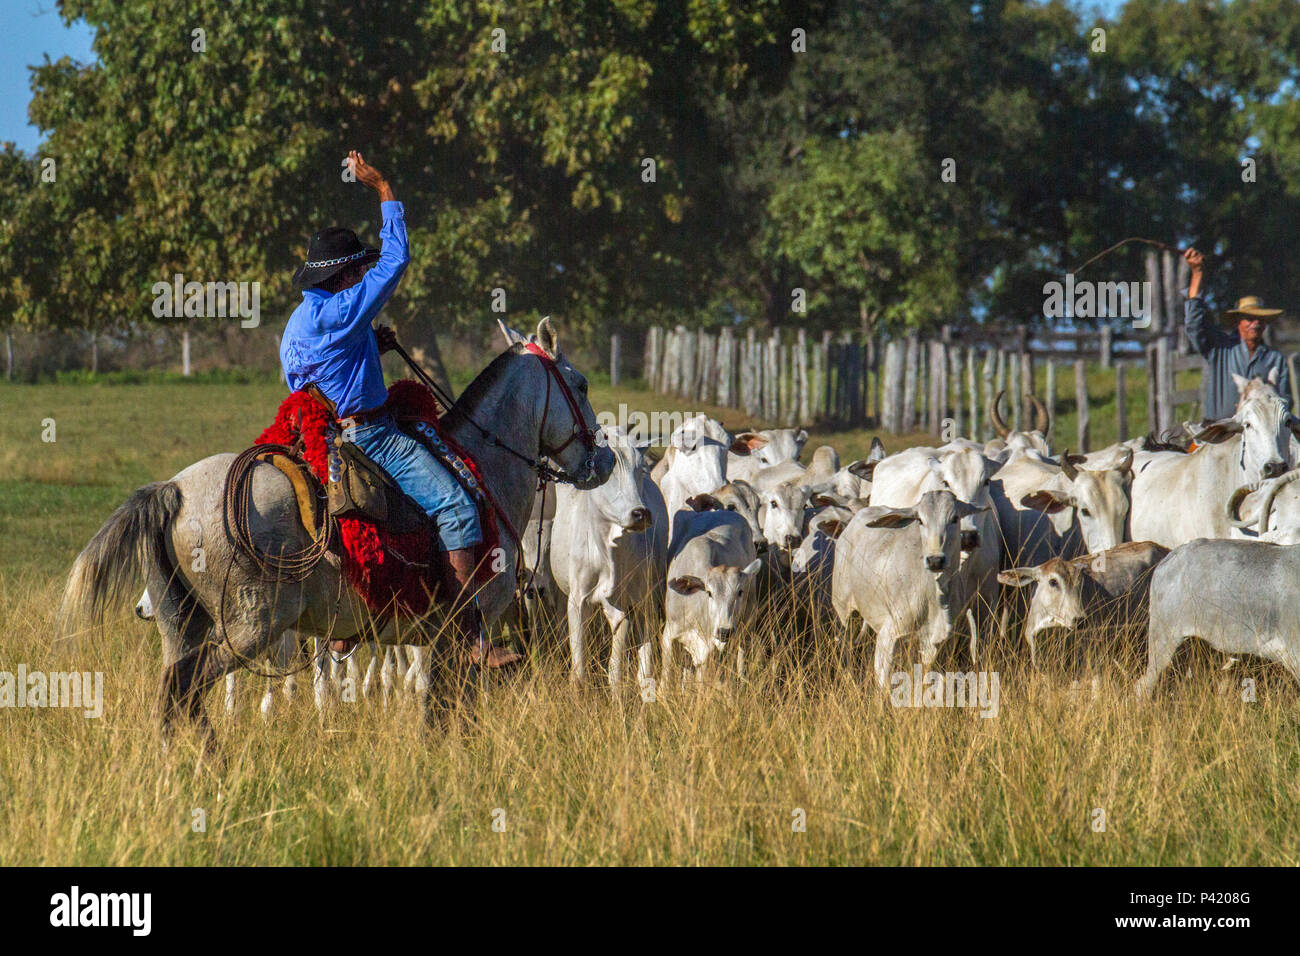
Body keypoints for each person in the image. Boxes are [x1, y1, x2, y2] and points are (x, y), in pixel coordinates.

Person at [281, 150, 519, 667]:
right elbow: (396, 260)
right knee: (456, 506)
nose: (364, 275)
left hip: (322, 434)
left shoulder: (301, 322)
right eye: (357, 270)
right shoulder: (347, 308)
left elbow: (315, 379)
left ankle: (363, 616)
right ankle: (471, 639)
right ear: (344, 278)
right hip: (370, 436)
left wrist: (366, 347)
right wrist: (384, 187)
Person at [1183, 246, 1290, 419]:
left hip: (1261, 436)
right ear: (1237, 322)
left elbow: (1285, 402)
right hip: (1218, 431)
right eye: (1249, 318)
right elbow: (1194, 324)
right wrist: (1197, 274)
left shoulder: (1275, 359)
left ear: (1265, 325)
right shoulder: (1219, 349)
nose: (1255, 323)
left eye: (1259, 319)